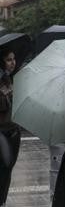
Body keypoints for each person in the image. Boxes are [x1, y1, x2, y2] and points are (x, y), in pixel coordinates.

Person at [0, 49, 20, 207]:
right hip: (1, 133)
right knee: (3, 167)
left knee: (8, 169)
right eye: (8, 60)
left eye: (13, 59)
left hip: (13, 132)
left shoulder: (12, 79)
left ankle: (3, 200)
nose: (12, 62)